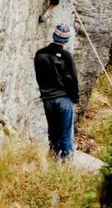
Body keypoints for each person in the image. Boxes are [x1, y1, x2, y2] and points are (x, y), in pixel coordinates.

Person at [34, 24, 79, 160]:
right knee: (66, 132)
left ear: (53, 35)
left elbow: (39, 76)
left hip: (48, 98)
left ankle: (53, 159)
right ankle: (66, 163)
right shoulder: (65, 56)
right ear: (66, 40)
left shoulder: (40, 54)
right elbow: (72, 79)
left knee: (53, 131)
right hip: (64, 98)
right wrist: (75, 97)